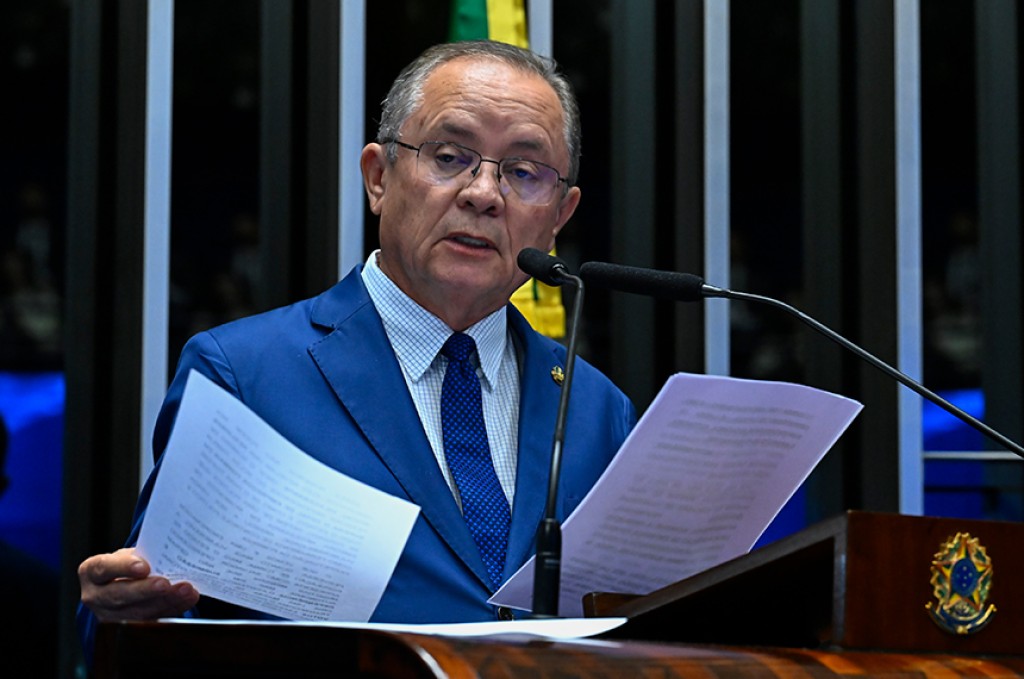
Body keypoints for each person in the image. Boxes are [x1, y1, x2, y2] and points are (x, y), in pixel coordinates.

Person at [76, 40, 636, 659]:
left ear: (559, 216)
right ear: (378, 177)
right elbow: (152, 619)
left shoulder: (597, 408)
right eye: (450, 157)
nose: (483, 193)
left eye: (524, 172)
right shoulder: (244, 375)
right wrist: (123, 615)